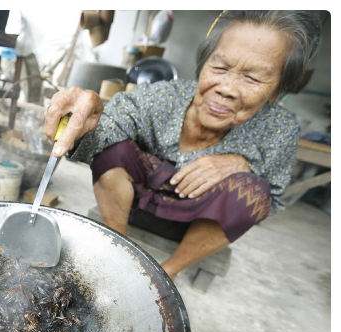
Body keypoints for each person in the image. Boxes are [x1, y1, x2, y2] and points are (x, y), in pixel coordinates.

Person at [44, 10, 322, 280]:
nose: (226, 87)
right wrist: (82, 121)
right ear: (204, 63)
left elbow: (271, 198)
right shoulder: (162, 97)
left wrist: (244, 165)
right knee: (113, 149)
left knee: (254, 193)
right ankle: (117, 250)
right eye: (220, 67)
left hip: (196, 225)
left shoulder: (279, 129)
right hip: (130, 207)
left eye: (252, 78)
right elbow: (102, 134)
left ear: (276, 91)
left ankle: (169, 271)